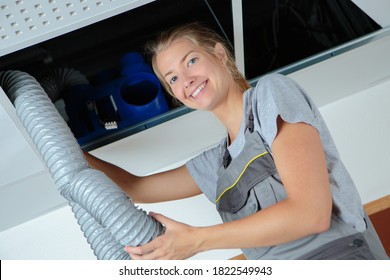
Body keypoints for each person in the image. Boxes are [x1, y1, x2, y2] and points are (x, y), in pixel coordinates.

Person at [84, 22, 388, 260]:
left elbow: (311, 214)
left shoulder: (271, 94)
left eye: (190, 61)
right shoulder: (216, 166)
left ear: (219, 54)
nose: (186, 80)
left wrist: (198, 240)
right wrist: (63, 152)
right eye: (172, 78)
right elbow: (136, 187)